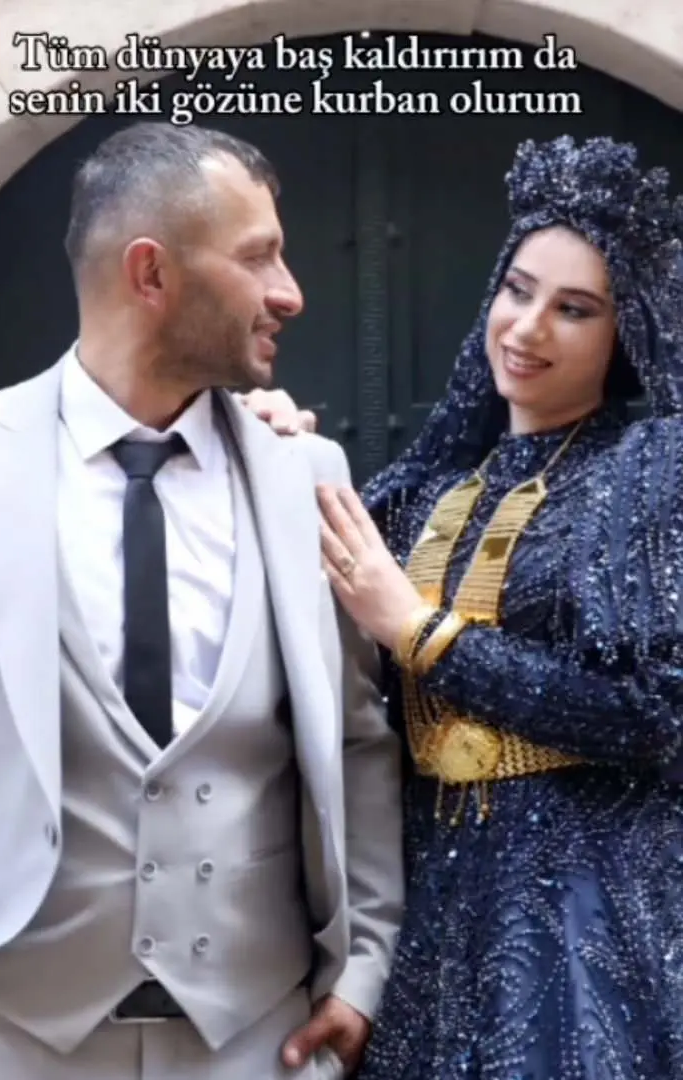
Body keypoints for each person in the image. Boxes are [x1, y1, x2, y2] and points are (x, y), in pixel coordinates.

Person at [0, 121, 404, 1079]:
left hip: (261, 1039)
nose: (291, 292)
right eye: (258, 256)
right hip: (5, 1039)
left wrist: (365, 966)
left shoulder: (307, 475)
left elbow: (358, 739)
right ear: (151, 273)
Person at [242, 134, 683, 1078]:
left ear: (626, 332)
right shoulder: (421, 493)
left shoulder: (654, 470)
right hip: (429, 918)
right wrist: (267, 450)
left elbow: (655, 714)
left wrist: (421, 632)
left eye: (575, 309)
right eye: (518, 290)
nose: (527, 327)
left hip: (589, 910)